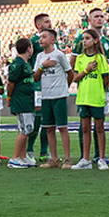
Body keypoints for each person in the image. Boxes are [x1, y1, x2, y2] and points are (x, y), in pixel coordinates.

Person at [33, 29, 73, 169]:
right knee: (49, 128)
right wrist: (42, 66)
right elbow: (35, 77)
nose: (41, 39)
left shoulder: (59, 55)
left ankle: (67, 159)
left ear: (52, 40)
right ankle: (54, 159)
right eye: (40, 37)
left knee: (62, 127)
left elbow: (70, 73)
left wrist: (64, 87)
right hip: (46, 96)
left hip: (59, 96)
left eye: (44, 37)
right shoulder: (39, 57)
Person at [72, 29, 109, 170]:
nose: (84, 41)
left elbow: (106, 79)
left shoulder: (100, 59)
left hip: (96, 98)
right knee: (86, 129)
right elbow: (75, 78)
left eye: (87, 38)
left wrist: (99, 90)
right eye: (83, 38)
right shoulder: (80, 59)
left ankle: (101, 158)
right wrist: (87, 70)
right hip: (83, 98)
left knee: (99, 129)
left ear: (95, 40)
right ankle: (86, 159)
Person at [7, 38, 37, 169]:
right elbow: (10, 82)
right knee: (26, 128)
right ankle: (14, 158)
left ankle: (23, 157)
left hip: (27, 100)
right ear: (29, 48)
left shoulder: (25, 63)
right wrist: (9, 97)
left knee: (25, 128)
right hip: (21, 101)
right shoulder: (17, 64)